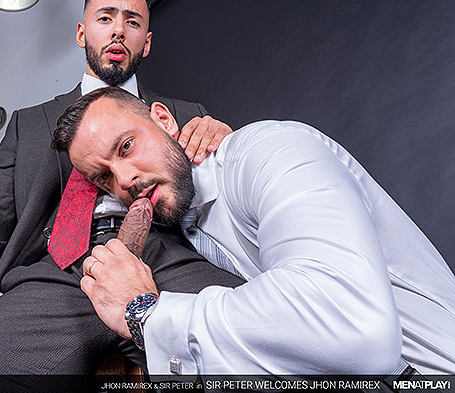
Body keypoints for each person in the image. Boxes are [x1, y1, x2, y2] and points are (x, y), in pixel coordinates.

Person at [0, 0, 245, 393]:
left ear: (146, 42)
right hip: (57, 274)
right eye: (105, 18)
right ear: (81, 33)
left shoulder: (185, 115)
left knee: (278, 359)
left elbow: (225, 199)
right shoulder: (28, 125)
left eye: (132, 21)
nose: (118, 30)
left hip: (167, 258)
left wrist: (228, 149)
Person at [52, 86, 455, 376]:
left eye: (126, 146)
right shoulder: (182, 227)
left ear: (163, 120)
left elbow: (359, 331)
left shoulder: (270, 149)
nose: (125, 179)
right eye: (104, 177)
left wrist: (147, 314)